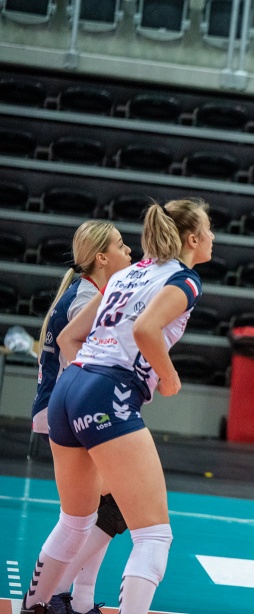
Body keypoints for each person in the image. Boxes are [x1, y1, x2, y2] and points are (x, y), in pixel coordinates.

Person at [20, 198, 214, 614]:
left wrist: (89, 384)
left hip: (69, 389)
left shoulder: (129, 272)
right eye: (209, 228)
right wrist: (168, 377)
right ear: (193, 239)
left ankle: (36, 607)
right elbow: (146, 329)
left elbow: (70, 338)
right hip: (107, 391)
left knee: (75, 522)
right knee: (154, 536)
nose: (213, 236)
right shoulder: (185, 280)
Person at [29, 220, 133, 614]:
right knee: (107, 507)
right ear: (102, 258)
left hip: (66, 410)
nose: (129, 251)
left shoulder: (88, 292)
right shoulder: (85, 298)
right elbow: (82, 363)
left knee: (104, 508)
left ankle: (79, 600)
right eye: (121, 245)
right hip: (69, 413)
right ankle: (54, 595)